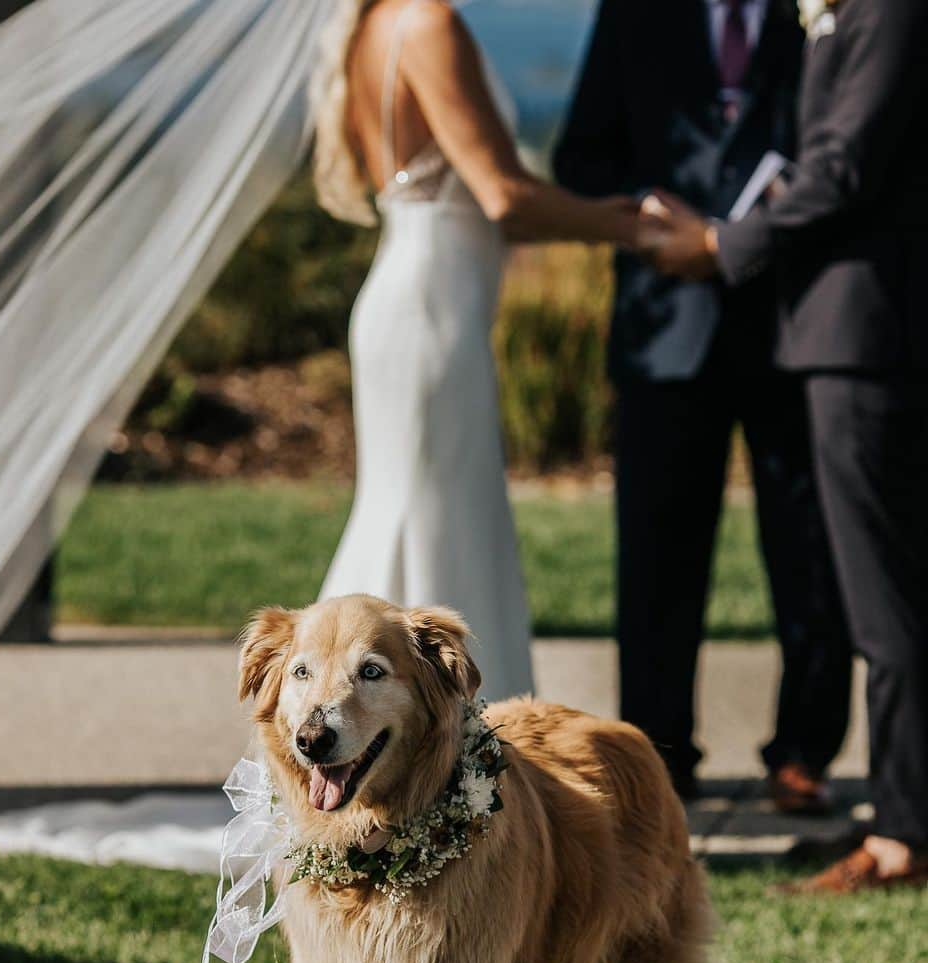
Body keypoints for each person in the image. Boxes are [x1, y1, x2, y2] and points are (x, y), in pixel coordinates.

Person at [644, 0, 928, 891]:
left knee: (885, 602)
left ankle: (902, 837)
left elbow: (844, 168)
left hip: (865, 335)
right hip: (847, 334)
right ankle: (902, 809)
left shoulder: (887, 12)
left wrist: (725, 242)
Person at [552, 0, 851, 805]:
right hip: (666, 331)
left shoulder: (814, 18)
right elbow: (580, 156)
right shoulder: (634, 15)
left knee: (810, 551)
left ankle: (803, 754)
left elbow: (841, 153)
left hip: (790, 322)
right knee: (656, 560)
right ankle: (659, 763)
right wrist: (653, 212)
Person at [312, 0, 639, 701]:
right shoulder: (427, 22)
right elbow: (504, 196)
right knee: (436, 529)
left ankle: (388, 744)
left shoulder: (376, 24)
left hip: (414, 299)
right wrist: (631, 223)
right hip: (431, 310)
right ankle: (445, 760)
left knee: (422, 517)